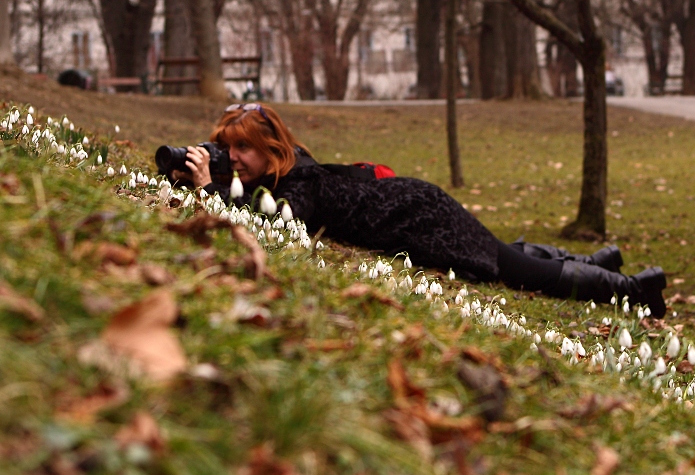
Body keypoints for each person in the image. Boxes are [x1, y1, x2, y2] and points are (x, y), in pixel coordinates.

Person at [171, 103, 667, 317]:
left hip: (421, 215)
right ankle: (599, 264)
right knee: (502, 250)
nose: (233, 158)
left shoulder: (299, 183)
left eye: (243, 149)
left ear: (271, 147)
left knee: (516, 270)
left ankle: (636, 292)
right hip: (415, 203)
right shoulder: (289, 170)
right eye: (226, 149)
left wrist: (209, 188)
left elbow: (276, 225)